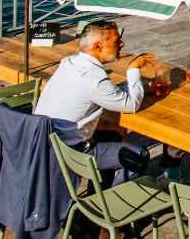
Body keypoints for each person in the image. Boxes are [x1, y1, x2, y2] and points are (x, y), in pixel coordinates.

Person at [34, 20, 158, 181]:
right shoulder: (94, 78)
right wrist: (133, 68)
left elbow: (103, 93)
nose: (122, 43)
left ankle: (101, 192)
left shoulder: (69, 63)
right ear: (98, 46)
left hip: (46, 142)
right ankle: (116, 201)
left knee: (113, 136)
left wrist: (144, 88)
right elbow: (131, 105)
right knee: (137, 154)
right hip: (70, 151)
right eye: (116, 41)